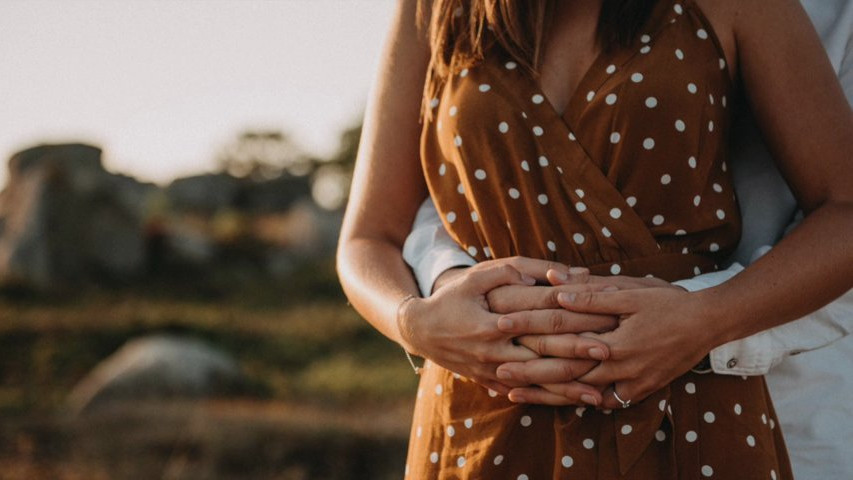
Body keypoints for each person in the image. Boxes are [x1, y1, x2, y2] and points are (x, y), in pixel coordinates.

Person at [336, 0, 853, 478]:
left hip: (687, 403)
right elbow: (368, 237)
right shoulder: (435, 8)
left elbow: (844, 210)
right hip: (481, 418)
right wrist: (415, 322)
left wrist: (709, 319)